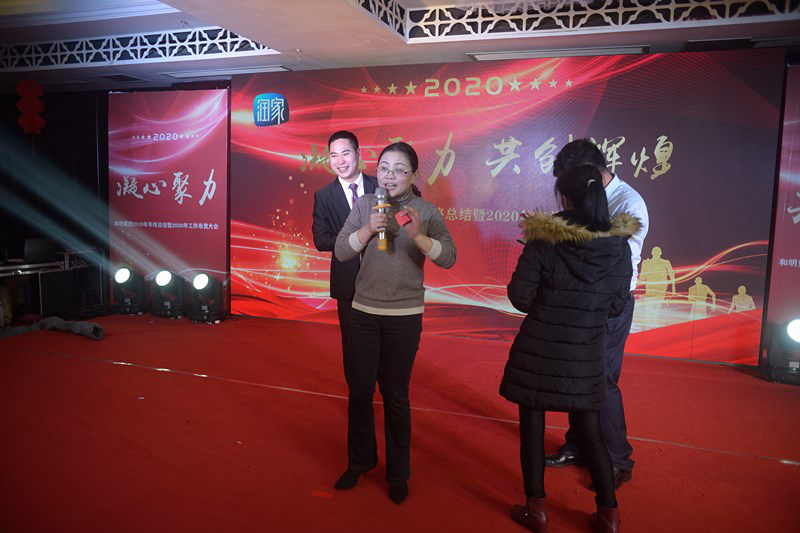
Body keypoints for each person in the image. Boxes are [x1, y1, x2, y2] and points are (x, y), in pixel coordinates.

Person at [501, 164, 640, 532]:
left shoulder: (543, 240)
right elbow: (616, 305)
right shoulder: (618, 247)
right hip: (585, 354)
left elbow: (520, 297)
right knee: (591, 434)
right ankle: (609, 516)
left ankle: (537, 511)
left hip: (539, 352)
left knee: (532, 430)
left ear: (564, 199)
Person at [333, 142, 456, 504]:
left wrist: (419, 237)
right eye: (384, 168)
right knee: (359, 392)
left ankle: (398, 473)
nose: (390, 176)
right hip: (363, 312)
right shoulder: (364, 205)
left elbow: (449, 257)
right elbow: (341, 251)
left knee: (395, 394)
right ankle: (360, 461)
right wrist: (367, 230)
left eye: (399, 170)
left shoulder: (426, 211)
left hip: (404, 316)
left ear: (414, 175)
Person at [545, 139, 649, 490]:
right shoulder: (589, 195)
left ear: (589, 173)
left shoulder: (629, 203)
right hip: (583, 300)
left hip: (610, 304)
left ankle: (618, 459)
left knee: (601, 380)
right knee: (579, 376)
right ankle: (578, 446)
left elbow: (609, 258)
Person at [312, 131, 378, 382]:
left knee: (383, 341)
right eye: (334, 155)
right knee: (352, 344)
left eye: (346, 153)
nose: (340, 161)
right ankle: (358, 392)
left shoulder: (379, 187)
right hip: (348, 282)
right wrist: (357, 238)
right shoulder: (323, 196)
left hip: (382, 279)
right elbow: (321, 240)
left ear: (358, 154)